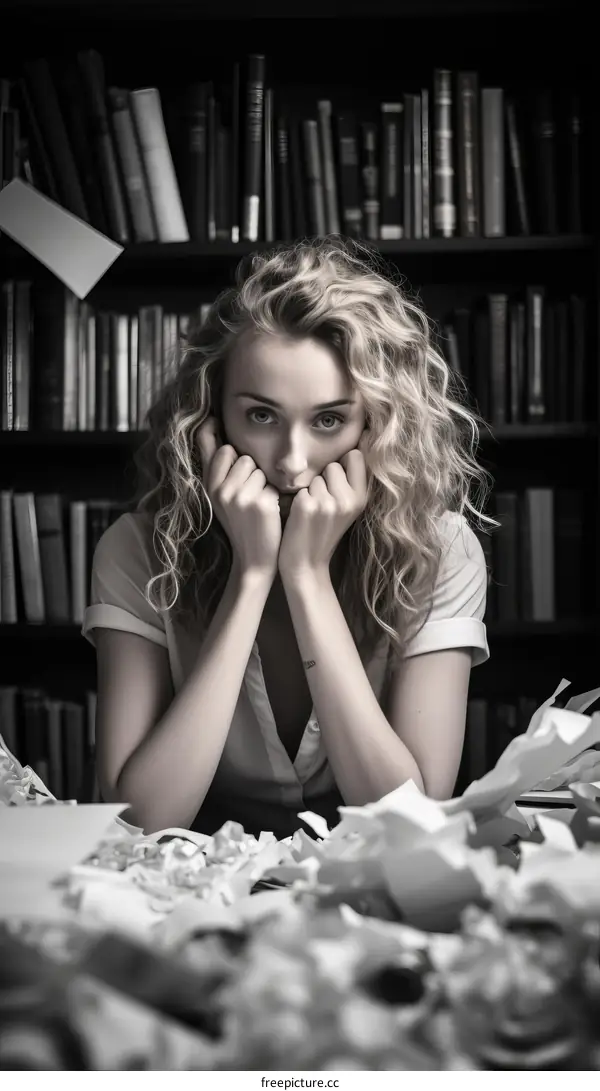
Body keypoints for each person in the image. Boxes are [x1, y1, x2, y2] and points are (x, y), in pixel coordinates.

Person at [82, 237, 495, 839]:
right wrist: (251, 577)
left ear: (375, 427)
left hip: (371, 896)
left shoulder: (440, 550)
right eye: (261, 416)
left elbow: (412, 820)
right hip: (190, 896)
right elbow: (138, 820)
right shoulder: (137, 550)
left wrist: (306, 578)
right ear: (210, 418)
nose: (292, 464)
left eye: (329, 420)